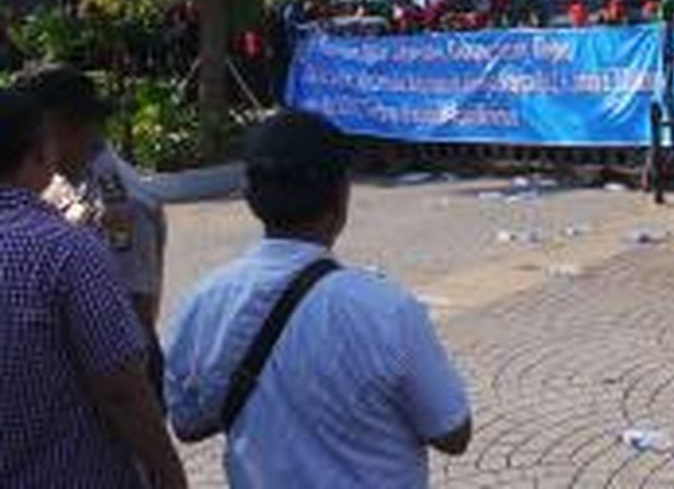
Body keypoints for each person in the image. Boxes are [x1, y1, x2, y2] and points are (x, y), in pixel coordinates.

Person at [165, 111, 472, 488]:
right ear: (342, 197)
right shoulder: (387, 310)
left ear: (249, 198)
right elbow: (453, 434)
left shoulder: (201, 302)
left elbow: (186, 424)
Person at [0, 89, 186, 488]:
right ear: (39, 153)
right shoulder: (64, 249)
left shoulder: (110, 205)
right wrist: (168, 473)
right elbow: (121, 384)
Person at [14, 68, 168, 368]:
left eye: (36, 132)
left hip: (118, 372)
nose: (28, 143)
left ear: (67, 125)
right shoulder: (64, 180)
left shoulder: (123, 205)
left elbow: (134, 312)